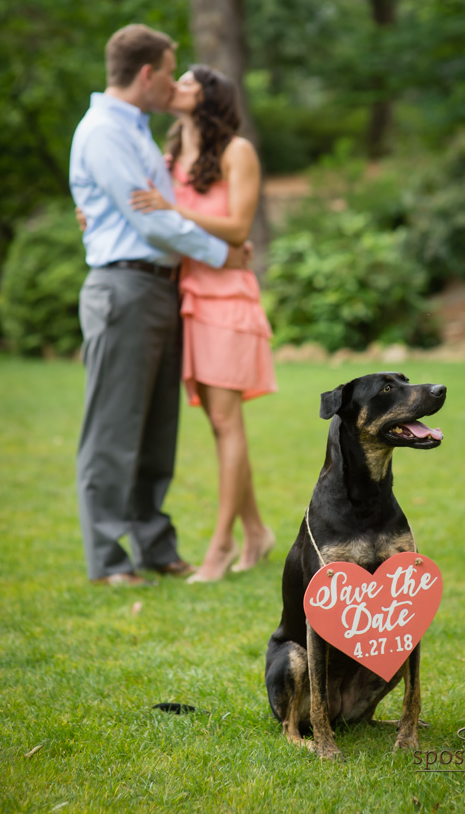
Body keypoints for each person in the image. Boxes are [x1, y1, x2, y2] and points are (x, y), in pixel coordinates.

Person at [70, 24, 248, 587]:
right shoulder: (103, 132)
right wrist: (225, 253)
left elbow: (155, 207)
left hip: (160, 290)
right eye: (170, 70)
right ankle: (108, 559)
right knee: (114, 429)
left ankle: (155, 544)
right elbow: (149, 220)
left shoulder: (139, 132)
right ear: (146, 73)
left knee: (155, 430)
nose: (173, 81)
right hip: (125, 289)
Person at [130, 65, 277, 583]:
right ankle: (257, 531)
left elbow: (239, 227)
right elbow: (143, 209)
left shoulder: (238, 151)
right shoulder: (169, 156)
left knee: (224, 422)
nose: (178, 87)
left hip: (229, 300)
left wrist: (174, 210)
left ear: (211, 97)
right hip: (189, 297)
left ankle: (220, 547)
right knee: (220, 423)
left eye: (189, 82)